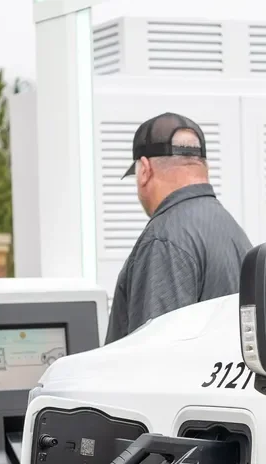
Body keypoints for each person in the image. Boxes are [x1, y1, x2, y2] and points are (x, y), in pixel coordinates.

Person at [106, 112, 252, 342]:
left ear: (144, 170)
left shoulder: (163, 240)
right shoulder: (231, 229)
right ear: (203, 166)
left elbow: (154, 352)